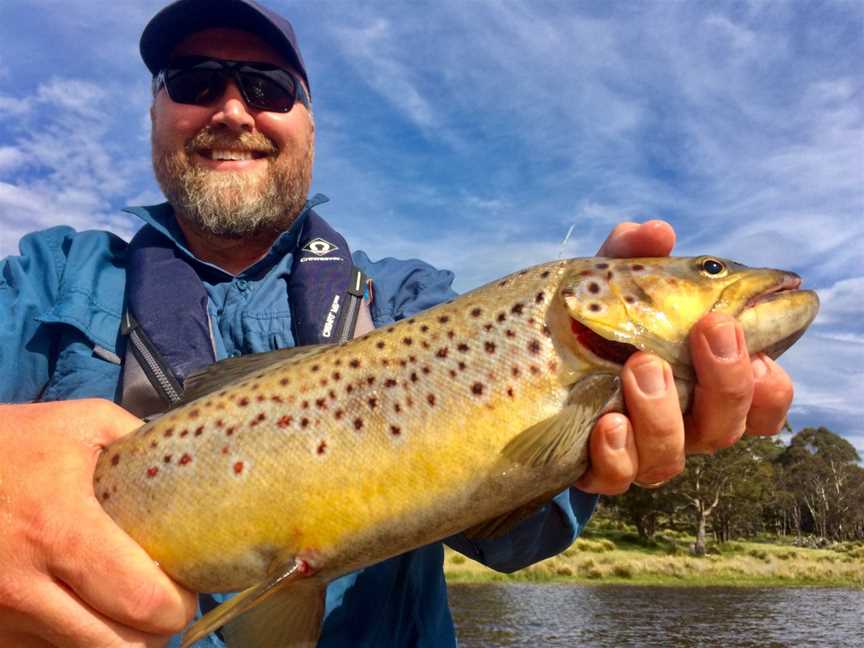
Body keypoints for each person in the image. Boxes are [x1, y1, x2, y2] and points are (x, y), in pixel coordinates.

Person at [0, 1, 794, 646]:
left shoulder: (413, 300)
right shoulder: (39, 285)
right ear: (154, 112)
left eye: (270, 88)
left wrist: (594, 438)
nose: (234, 109)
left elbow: (515, 536)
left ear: (310, 126)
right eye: (196, 81)